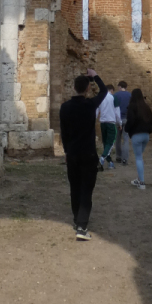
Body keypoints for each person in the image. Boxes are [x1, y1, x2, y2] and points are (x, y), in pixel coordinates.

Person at [59, 68, 105, 240]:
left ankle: (76, 218)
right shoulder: (90, 105)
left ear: (74, 87)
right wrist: (95, 76)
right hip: (88, 154)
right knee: (86, 189)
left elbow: (64, 133)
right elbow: (104, 91)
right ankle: (82, 226)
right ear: (87, 89)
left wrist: (66, 151)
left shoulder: (64, 108)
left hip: (72, 154)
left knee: (75, 187)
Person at [125, 87, 152, 189]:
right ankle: (139, 178)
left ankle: (141, 182)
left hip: (136, 135)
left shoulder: (132, 107)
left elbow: (130, 120)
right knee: (140, 157)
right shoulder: (146, 107)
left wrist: (127, 129)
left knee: (138, 158)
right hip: (146, 135)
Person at [96, 84, 118, 170]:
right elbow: (117, 112)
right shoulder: (113, 98)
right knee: (110, 142)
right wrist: (119, 123)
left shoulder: (100, 98)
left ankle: (110, 162)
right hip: (111, 122)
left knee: (105, 142)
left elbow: (97, 111)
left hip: (103, 123)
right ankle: (102, 158)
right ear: (111, 90)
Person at [113, 80, 131, 165]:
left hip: (118, 119)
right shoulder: (130, 95)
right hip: (127, 119)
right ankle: (125, 159)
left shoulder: (116, 95)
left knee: (118, 139)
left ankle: (118, 157)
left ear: (120, 87)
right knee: (126, 139)